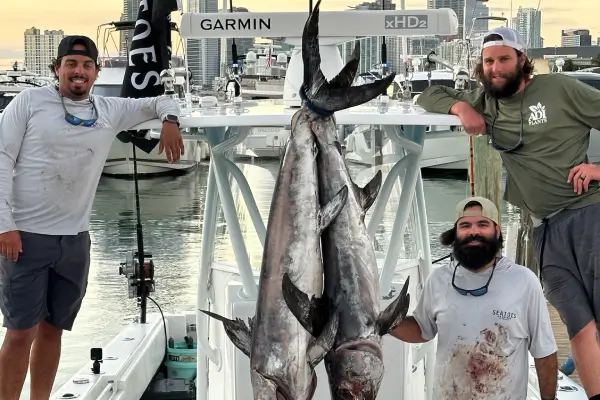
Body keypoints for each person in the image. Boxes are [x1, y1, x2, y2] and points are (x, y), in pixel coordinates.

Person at [415, 26, 600, 400]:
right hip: (544, 230)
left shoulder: (559, 89)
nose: (496, 67)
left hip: (588, 214)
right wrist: (461, 106)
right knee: (579, 326)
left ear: (521, 60)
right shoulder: (487, 100)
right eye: (488, 61)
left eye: (503, 58)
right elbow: (428, 94)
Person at [0, 35, 184, 400]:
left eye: (86, 65)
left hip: (75, 242)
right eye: (70, 64)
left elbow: (162, 100)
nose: (78, 72)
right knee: (21, 332)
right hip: (25, 237)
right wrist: (4, 225)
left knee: (54, 331)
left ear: (97, 72)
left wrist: (171, 120)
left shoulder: (109, 110)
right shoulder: (30, 102)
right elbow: (2, 158)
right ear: (57, 70)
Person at [391, 196, 558, 400]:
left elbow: (545, 352)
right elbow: (421, 330)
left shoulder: (524, 281)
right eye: (465, 225)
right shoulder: (438, 279)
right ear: (456, 234)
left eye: (483, 224)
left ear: (498, 231)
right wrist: (384, 323)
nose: (473, 232)